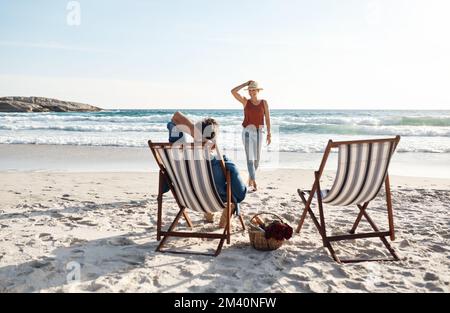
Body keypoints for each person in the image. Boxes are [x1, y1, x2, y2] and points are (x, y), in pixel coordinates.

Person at [164, 111, 247, 227]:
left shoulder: (179, 157)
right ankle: (227, 210)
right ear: (214, 142)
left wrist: (197, 136)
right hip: (217, 199)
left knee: (204, 180)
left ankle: (208, 213)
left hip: (189, 198)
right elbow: (240, 194)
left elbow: (174, 120)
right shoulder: (222, 162)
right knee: (238, 178)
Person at [231, 80, 271, 191]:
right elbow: (233, 91)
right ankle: (254, 181)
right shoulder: (245, 102)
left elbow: (267, 118)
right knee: (249, 159)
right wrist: (245, 84)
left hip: (259, 132)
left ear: (258, 91)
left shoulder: (264, 103)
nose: (251, 92)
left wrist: (269, 133)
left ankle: (250, 177)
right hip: (247, 132)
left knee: (257, 160)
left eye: (253, 90)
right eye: (250, 90)